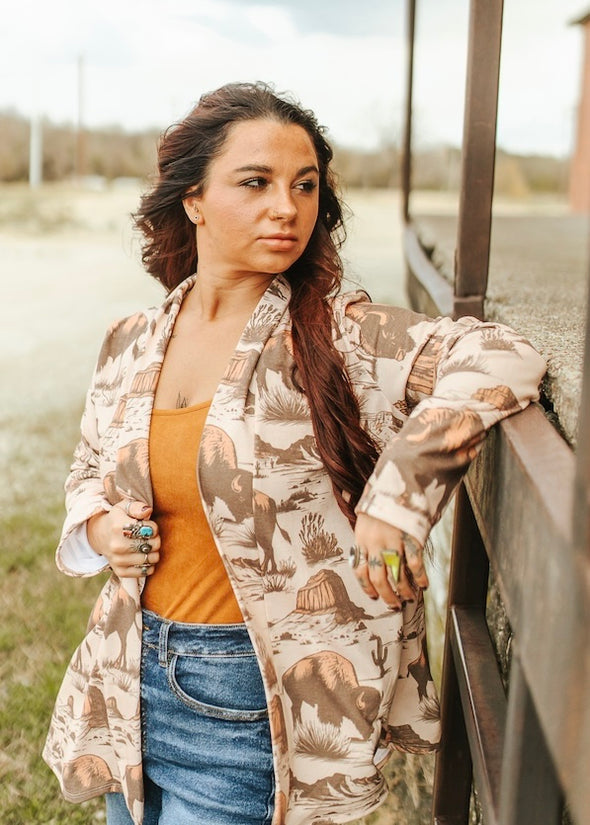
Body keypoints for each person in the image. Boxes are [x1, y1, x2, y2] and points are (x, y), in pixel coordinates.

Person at [43, 81, 546, 825]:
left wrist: (400, 496)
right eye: (257, 182)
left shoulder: (341, 336)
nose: (288, 207)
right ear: (194, 200)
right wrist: (99, 531)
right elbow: (87, 473)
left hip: (253, 701)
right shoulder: (130, 341)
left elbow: (503, 356)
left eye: (305, 186)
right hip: (128, 679)